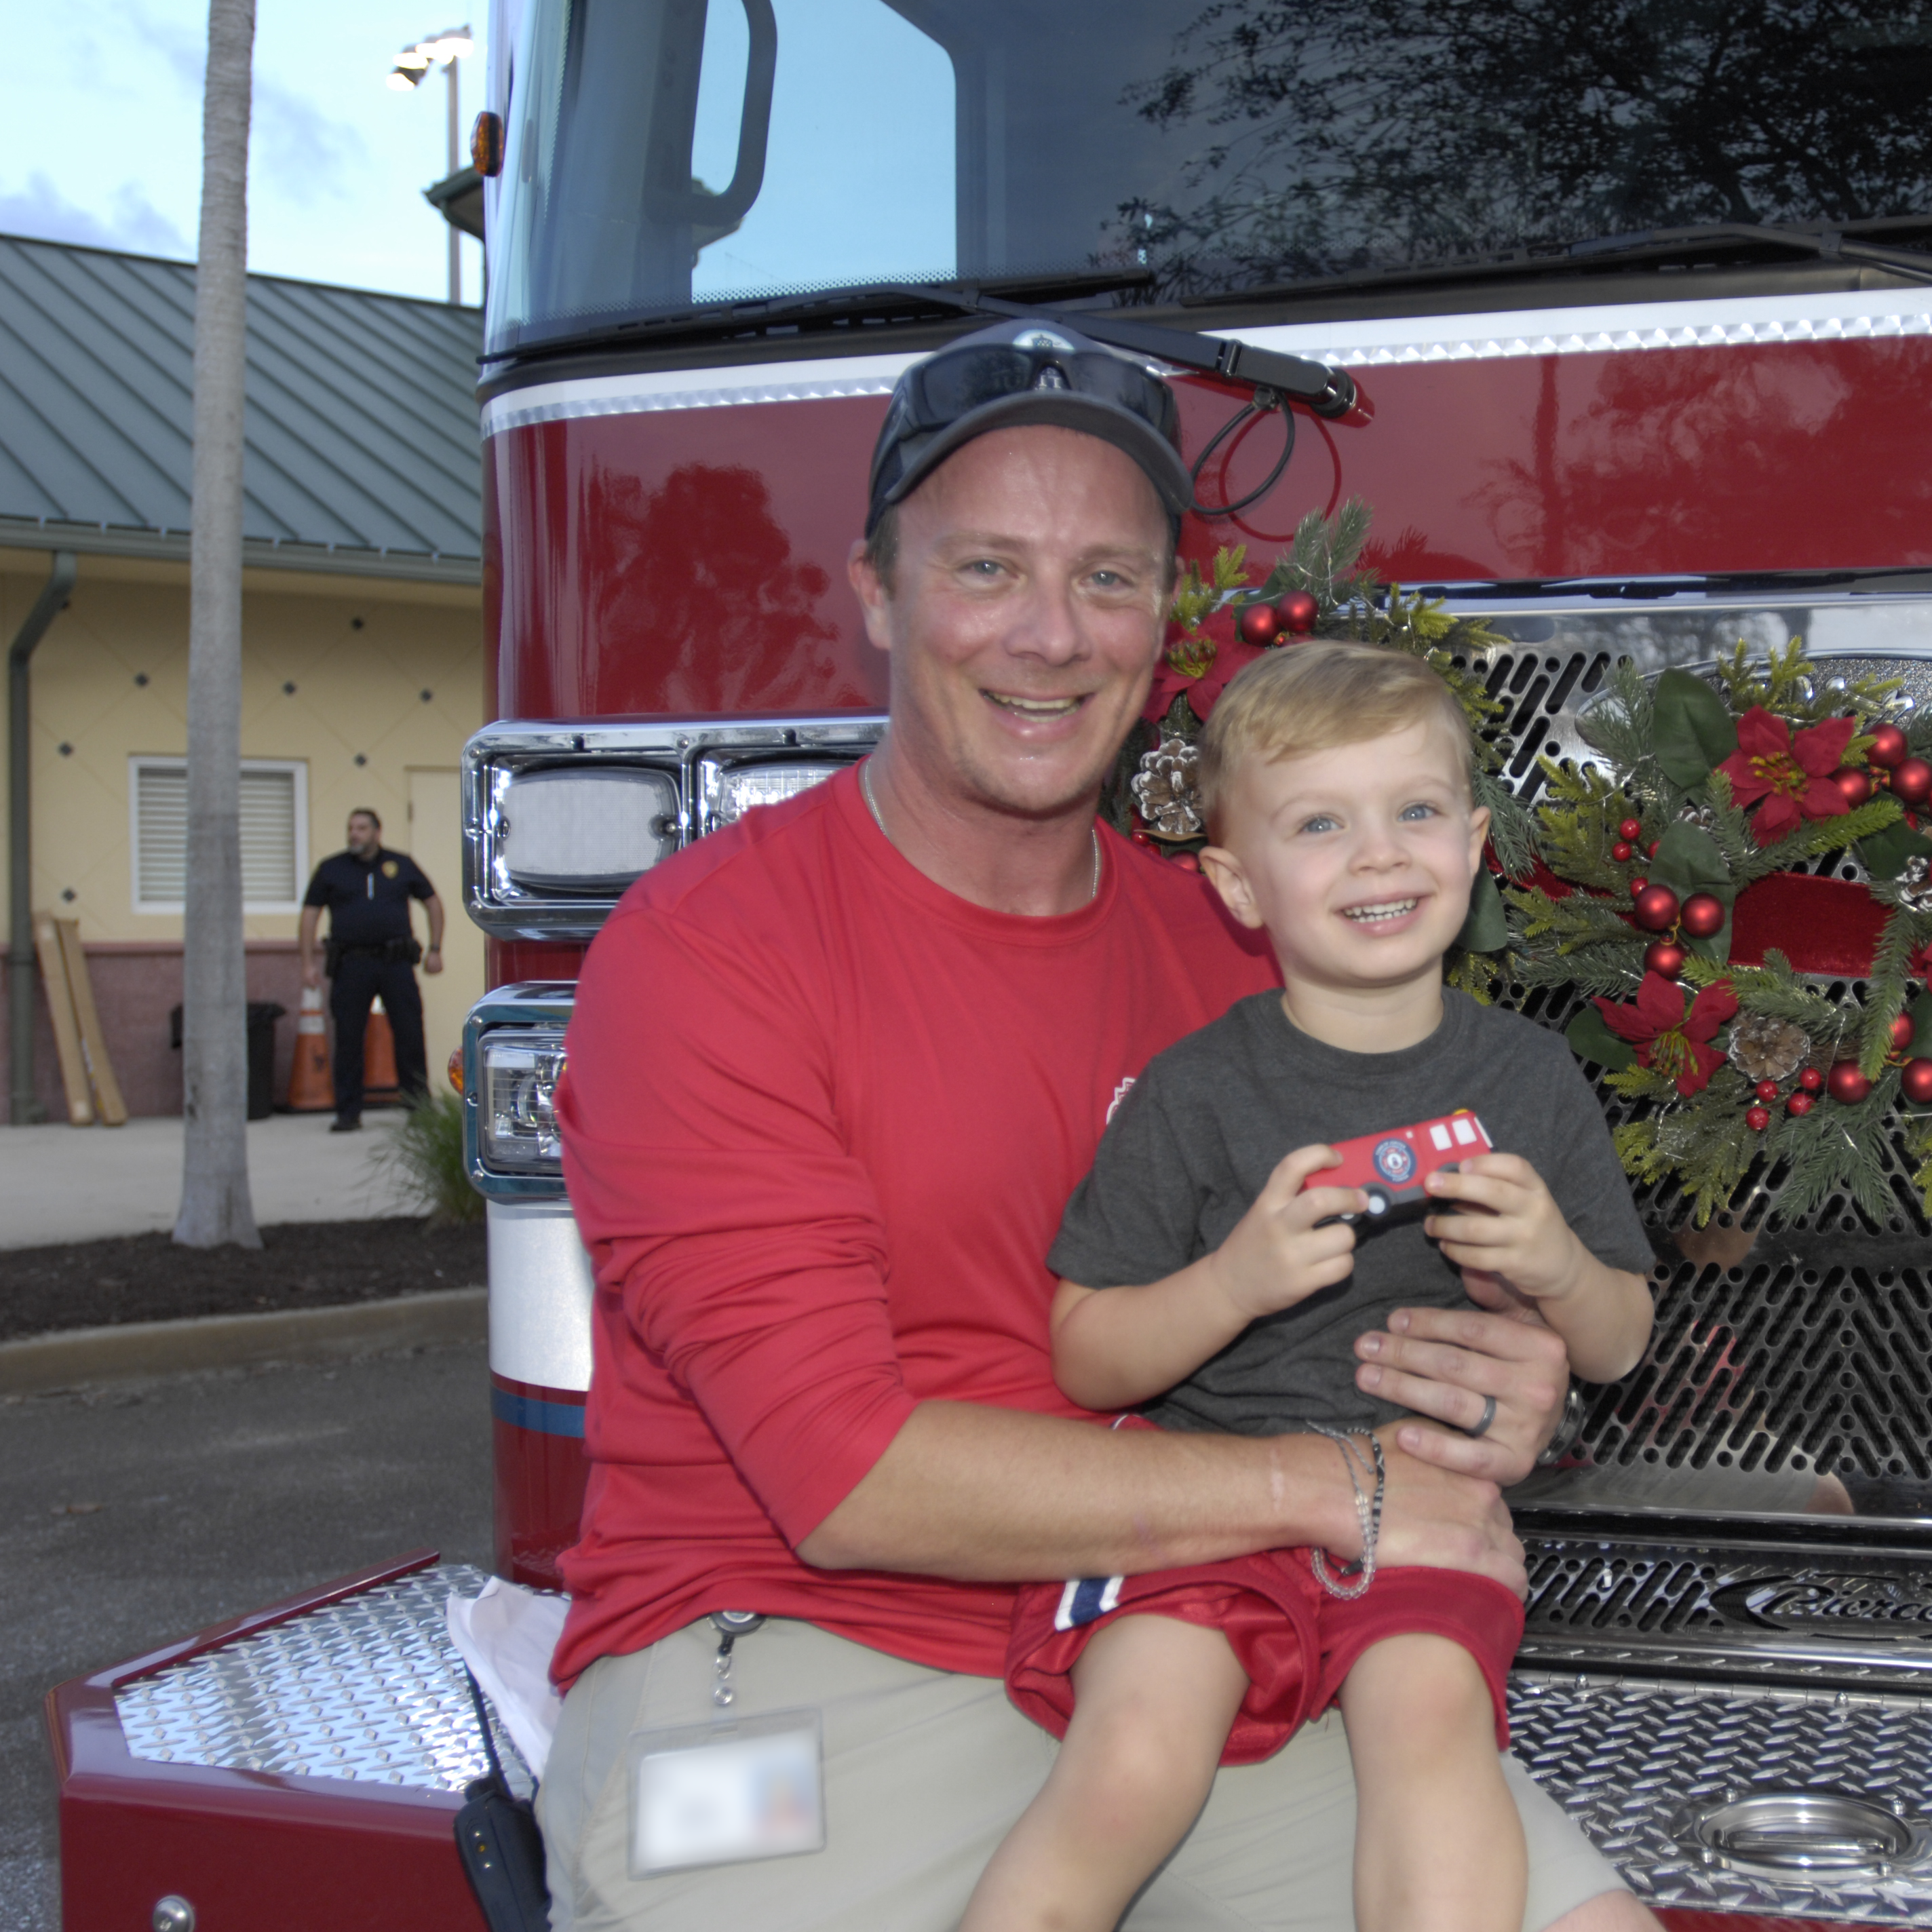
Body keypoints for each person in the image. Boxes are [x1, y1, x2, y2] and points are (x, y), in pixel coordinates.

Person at [546, 315, 1663, 1932]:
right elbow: (839, 1477)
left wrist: (1492, 1363)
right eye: (985, 567)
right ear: (875, 590)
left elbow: (1368, 1307)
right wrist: (1327, 1484)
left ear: (1161, 623)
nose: (1051, 634)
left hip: (1199, 1635)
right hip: (801, 1652)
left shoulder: (1238, 958)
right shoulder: (711, 950)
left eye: (1110, 578)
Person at [963, 643, 1655, 1932]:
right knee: (1132, 1754)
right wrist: (1231, 1281)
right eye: (1320, 823)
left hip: (1427, 1512)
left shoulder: (1529, 1077)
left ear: (1473, 838)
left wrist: (1557, 1263)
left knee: (1430, 1724)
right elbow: (1086, 1354)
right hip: (1201, 1508)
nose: (1380, 853)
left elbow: (1618, 1340)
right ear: (1236, 880)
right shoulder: (1193, 1090)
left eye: (1414, 810)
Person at [298, 807, 444, 1132]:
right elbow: (310, 914)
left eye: (362, 828)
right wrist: (307, 962)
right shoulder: (332, 869)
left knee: (409, 1034)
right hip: (352, 964)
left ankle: (417, 1107)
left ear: (377, 832)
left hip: (396, 963)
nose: (354, 834)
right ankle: (348, 1112)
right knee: (348, 1037)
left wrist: (435, 949)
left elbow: (432, 901)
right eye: (351, 828)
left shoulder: (400, 864)